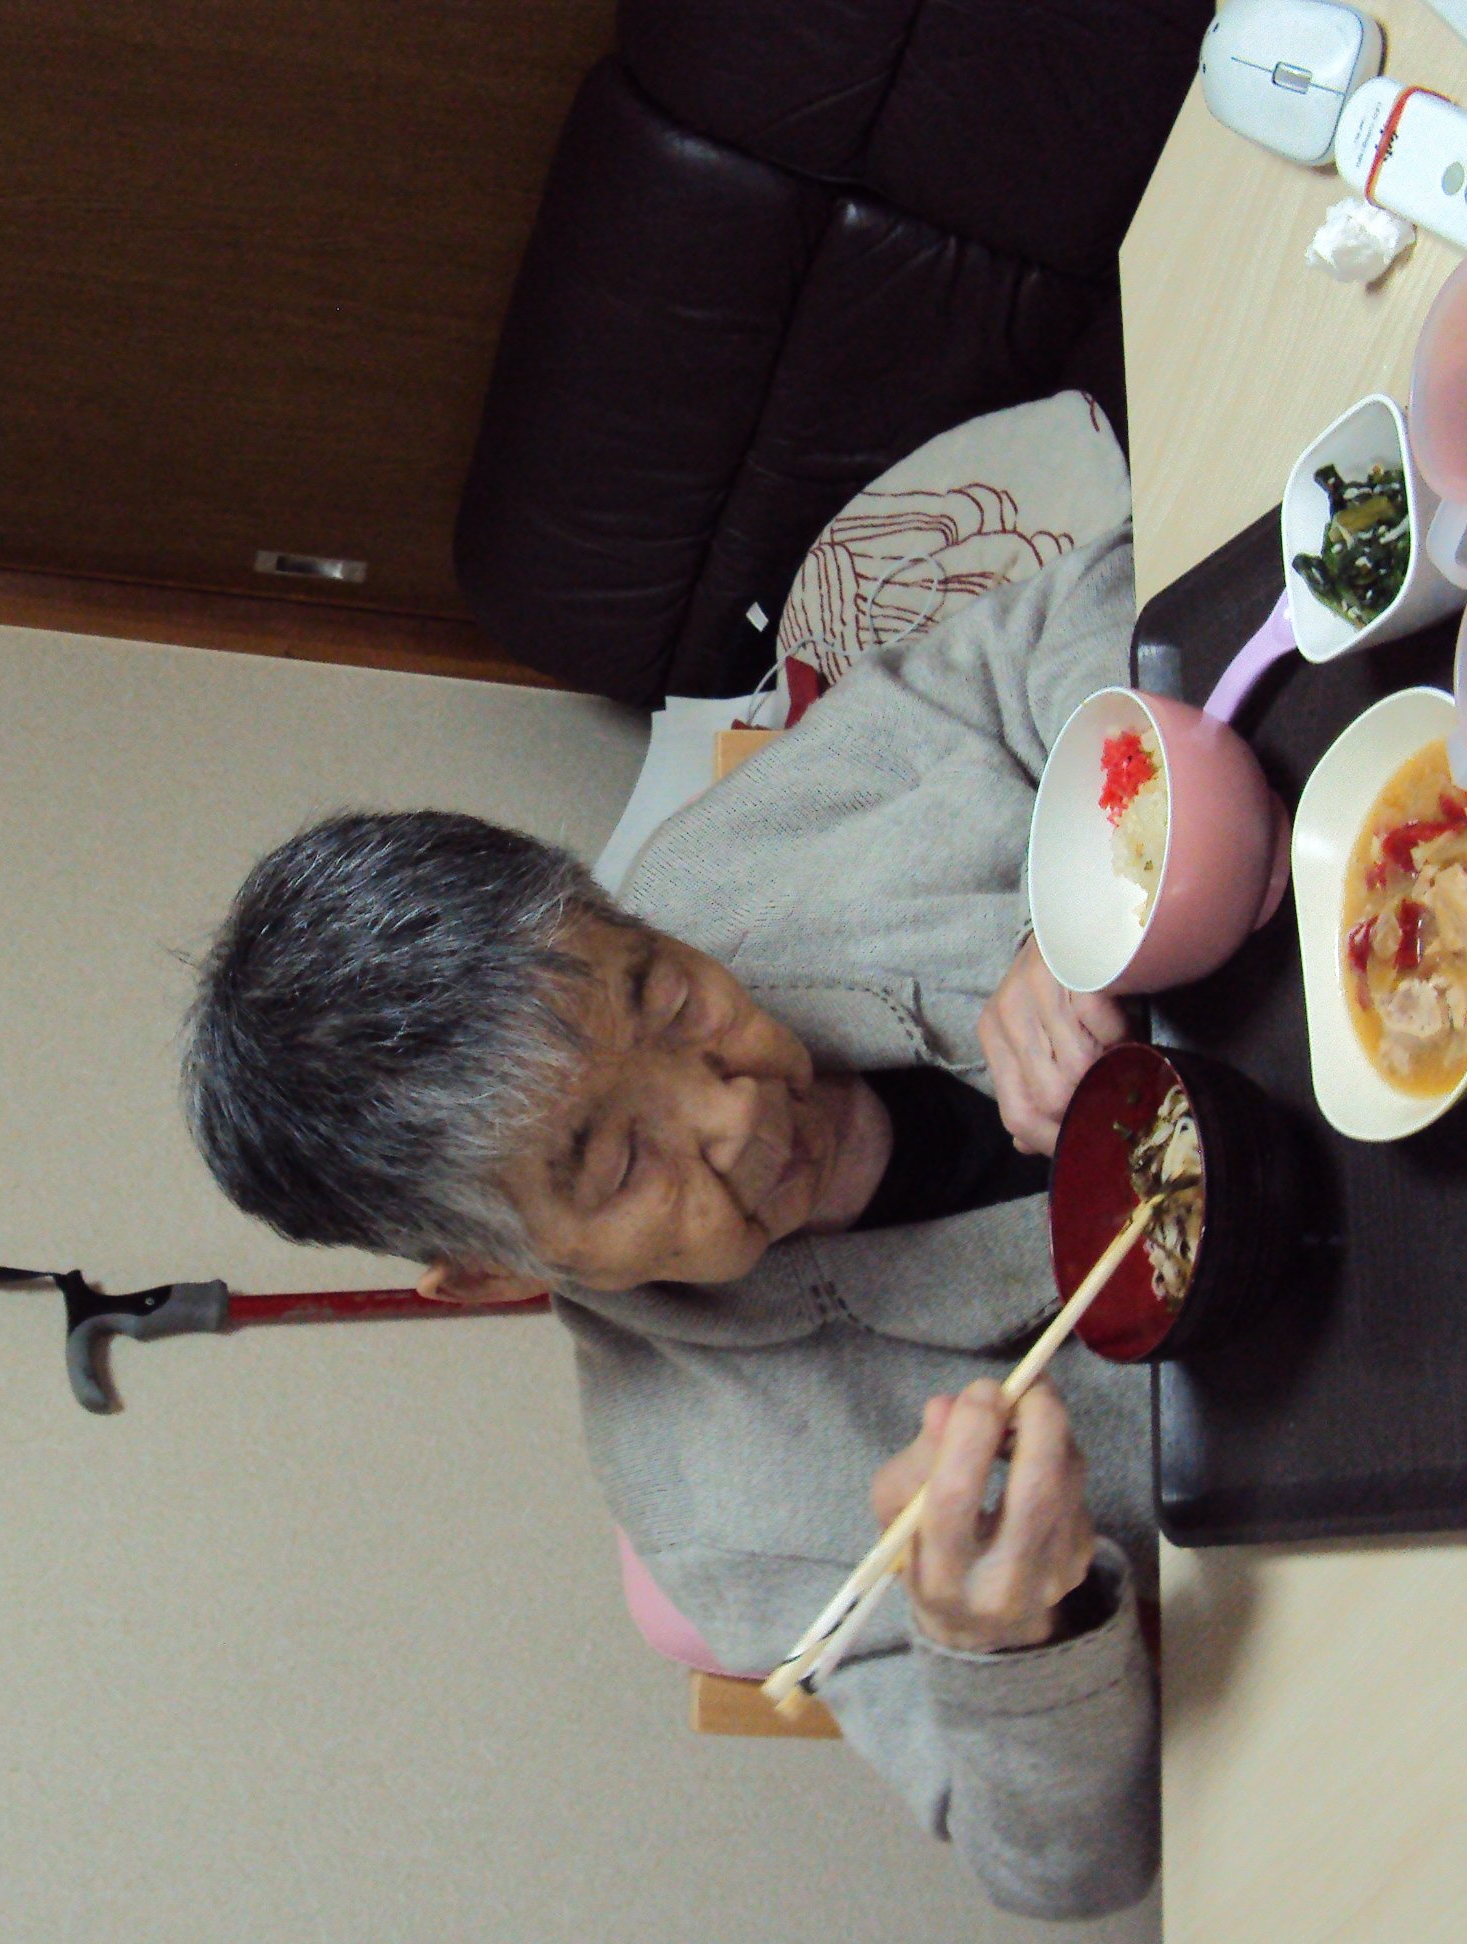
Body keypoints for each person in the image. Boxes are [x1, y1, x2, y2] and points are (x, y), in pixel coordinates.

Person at [180, 522, 1150, 1917]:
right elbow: (1063, 1866)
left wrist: (1089, 885)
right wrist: (1007, 1651)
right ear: (490, 1274)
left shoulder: (745, 856)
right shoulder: (723, 1511)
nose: (737, 1110)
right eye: (618, 1162)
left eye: (670, 996)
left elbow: (1084, 601)